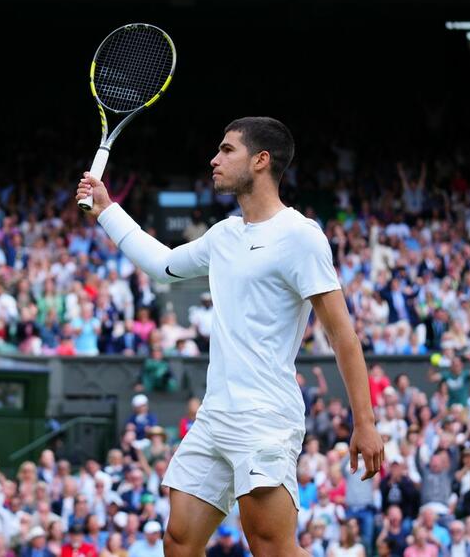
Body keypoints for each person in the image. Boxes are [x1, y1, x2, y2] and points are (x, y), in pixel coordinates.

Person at [76, 116, 383, 556]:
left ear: (260, 161)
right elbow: (162, 265)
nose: (214, 159)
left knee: (271, 547)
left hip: (265, 419)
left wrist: (365, 423)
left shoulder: (300, 236)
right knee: (179, 542)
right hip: (215, 415)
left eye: (226, 150)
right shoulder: (223, 235)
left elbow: (342, 336)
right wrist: (107, 209)